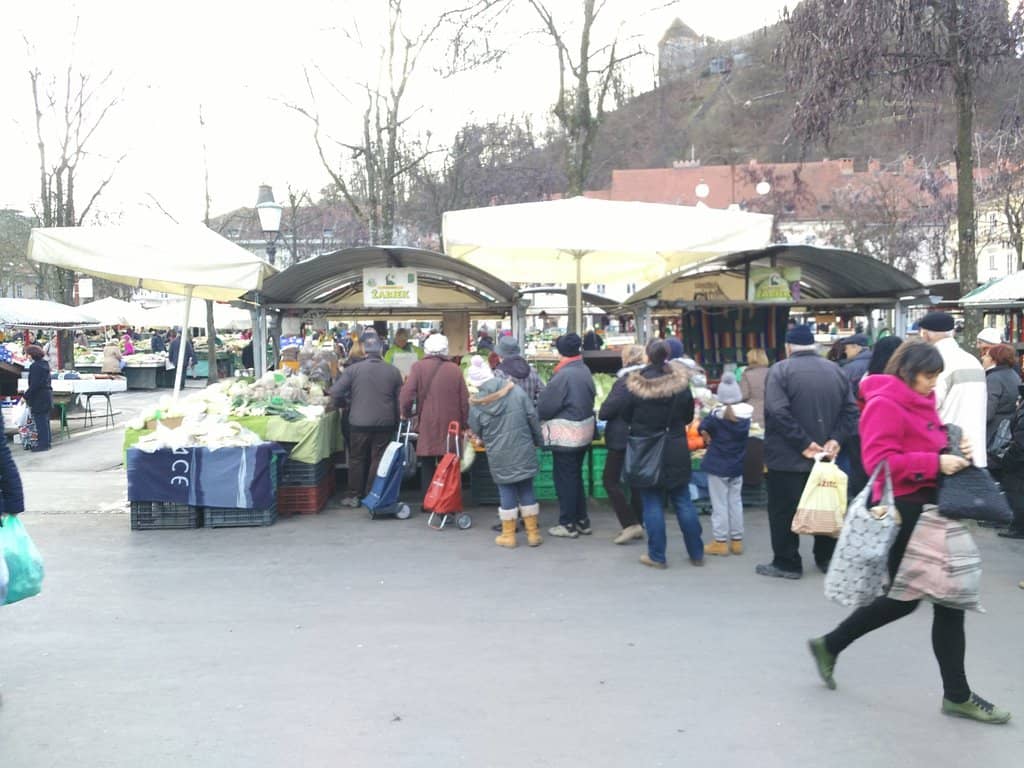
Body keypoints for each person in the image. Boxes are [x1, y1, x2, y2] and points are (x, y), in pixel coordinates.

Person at [808, 341, 1011, 725]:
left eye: (936, 376)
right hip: (906, 511)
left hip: (931, 508)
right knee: (936, 600)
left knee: (917, 599)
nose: (933, 383)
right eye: (928, 375)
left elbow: (923, 440)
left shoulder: (922, 400)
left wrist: (953, 441)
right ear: (907, 371)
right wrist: (936, 462)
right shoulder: (885, 403)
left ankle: (831, 645)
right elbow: (879, 461)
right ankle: (957, 696)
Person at [757, 324, 859, 579]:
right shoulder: (836, 370)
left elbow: (778, 411)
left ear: (788, 347)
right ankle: (826, 558)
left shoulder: (780, 370)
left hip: (787, 458)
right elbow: (850, 411)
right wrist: (836, 439)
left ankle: (787, 562)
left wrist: (803, 443)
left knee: (783, 511)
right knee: (825, 505)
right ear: (814, 345)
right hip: (826, 456)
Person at [620, 340, 703, 568]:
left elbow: (625, 414)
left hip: (647, 449)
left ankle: (657, 556)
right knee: (683, 500)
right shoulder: (680, 383)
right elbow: (688, 416)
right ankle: (696, 553)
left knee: (652, 502)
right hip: (676, 446)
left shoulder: (636, 384)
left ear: (647, 356)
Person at [468, 356, 545, 548]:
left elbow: (476, 429)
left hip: (498, 453)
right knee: (526, 488)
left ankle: (508, 536)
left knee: (506, 489)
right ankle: (533, 534)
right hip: (523, 447)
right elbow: (532, 417)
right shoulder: (516, 391)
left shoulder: (477, 404)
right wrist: (538, 441)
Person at [330, 335, 403, 508]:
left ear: (364, 350)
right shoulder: (393, 371)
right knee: (378, 459)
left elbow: (335, 392)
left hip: (358, 422)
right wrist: (397, 420)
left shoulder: (353, 370)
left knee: (357, 458)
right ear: (381, 350)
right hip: (385, 423)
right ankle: (373, 494)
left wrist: (345, 404)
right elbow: (400, 399)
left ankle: (354, 495)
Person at [536, 332, 596, 538]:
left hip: (567, 435)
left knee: (565, 479)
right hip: (584, 431)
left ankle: (567, 524)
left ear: (560, 351)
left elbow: (546, 406)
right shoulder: (584, 369)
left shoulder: (564, 375)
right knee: (575, 476)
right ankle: (582, 520)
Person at [400, 334, 469, 496]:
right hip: (451, 423)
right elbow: (464, 400)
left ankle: (428, 500)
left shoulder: (418, 367)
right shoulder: (455, 369)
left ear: (427, 349)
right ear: (445, 349)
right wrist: (465, 424)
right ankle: (447, 499)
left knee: (427, 462)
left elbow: (407, 394)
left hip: (427, 421)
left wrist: (405, 413)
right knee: (449, 462)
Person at [917, 312, 987, 469]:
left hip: (948, 454)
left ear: (926, 334)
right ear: (953, 332)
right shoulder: (973, 361)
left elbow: (929, 405)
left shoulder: (935, 362)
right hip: (975, 450)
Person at [597, 344, 646, 545]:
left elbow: (606, 411)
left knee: (610, 480)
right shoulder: (650, 380)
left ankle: (629, 524)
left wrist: (603, 412)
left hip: (621, 437)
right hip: (643, 437)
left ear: (626, 360)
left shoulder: (625, 382)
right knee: (636, 482)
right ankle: (638, 522)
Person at [700, 372, 752, 556]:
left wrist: (707, 435)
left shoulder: (716, 416)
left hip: (717, 466)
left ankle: (720, 542)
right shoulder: (746, 417)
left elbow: (702, 427)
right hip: (736, 466)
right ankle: (737, 541)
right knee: (735, 502)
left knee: (719, 504)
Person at [982, 343, 1020, 468]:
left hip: (993, 434)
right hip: (1009, 432)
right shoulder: (1014, 376)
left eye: (987, 356)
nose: (983, 358)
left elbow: (987, 412)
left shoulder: (993, 379)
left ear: (994, 359)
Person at [997, 384, 1024, 540]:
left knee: (1016, 493)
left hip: (1019, 461)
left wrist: (1008, 458)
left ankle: (1019, 528)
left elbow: (1021, 441)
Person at [494, 335, 545, 406]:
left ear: (500, 355)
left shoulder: (499, 373)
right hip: (529, 411)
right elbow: (543, 394)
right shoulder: (532, 371)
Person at [22, 345, 53, 452]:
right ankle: (47, 442)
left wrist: (25, 396)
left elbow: (34, 385)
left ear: (32, 355)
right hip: (46, 395)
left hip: (39, 397)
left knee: (40, 421)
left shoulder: (35, 366)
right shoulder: (45, 364)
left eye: (28, 354)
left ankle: (43, 444)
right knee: (45, 421)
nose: (27, 357)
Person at [739, 348, 770, 427]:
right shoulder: (773, 372)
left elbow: (743, 395)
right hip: (771, 412)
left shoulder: (747, 374)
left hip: (754, 413)